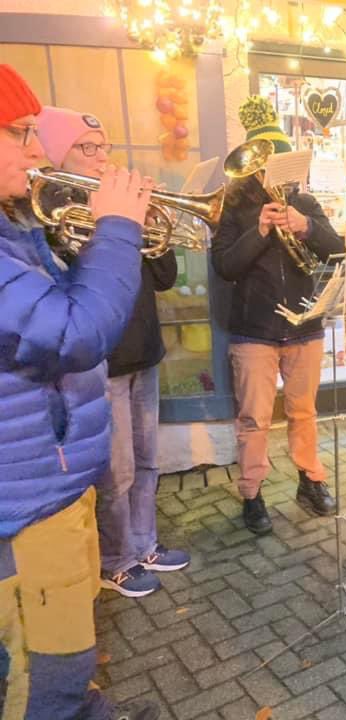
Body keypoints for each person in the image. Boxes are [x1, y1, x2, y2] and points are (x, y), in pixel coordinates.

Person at [0, 65, 158, 719]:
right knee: (45, 670)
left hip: (50, 481)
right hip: (27, 504)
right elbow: (75, 330)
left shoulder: (14, 227)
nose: (39, 151)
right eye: (22, 132)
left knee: (67, 647)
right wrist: (117, 228)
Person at [36, 106, 189, 599]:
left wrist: (142, 222)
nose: (102, 157)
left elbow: (163, 278)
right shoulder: (53, 217)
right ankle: (115, 560)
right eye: (87, 148)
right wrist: (112, 226)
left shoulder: (114, 207)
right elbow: (72, 288)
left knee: (147, 461)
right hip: (103, 362)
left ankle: (144, 544)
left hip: (144, 351)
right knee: (116, 471)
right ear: (59, 155)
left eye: (104, 148)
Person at [211, 96, 345, 536]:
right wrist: (261, 229)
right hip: (255, 332)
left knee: (304, 412)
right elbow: (225, 266)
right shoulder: (232, 208)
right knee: (254, 419)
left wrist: (303, 225)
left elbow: (333, 248)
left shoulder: (303, 203)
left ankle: (310, 479)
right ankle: (252, 493)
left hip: (302, 326)